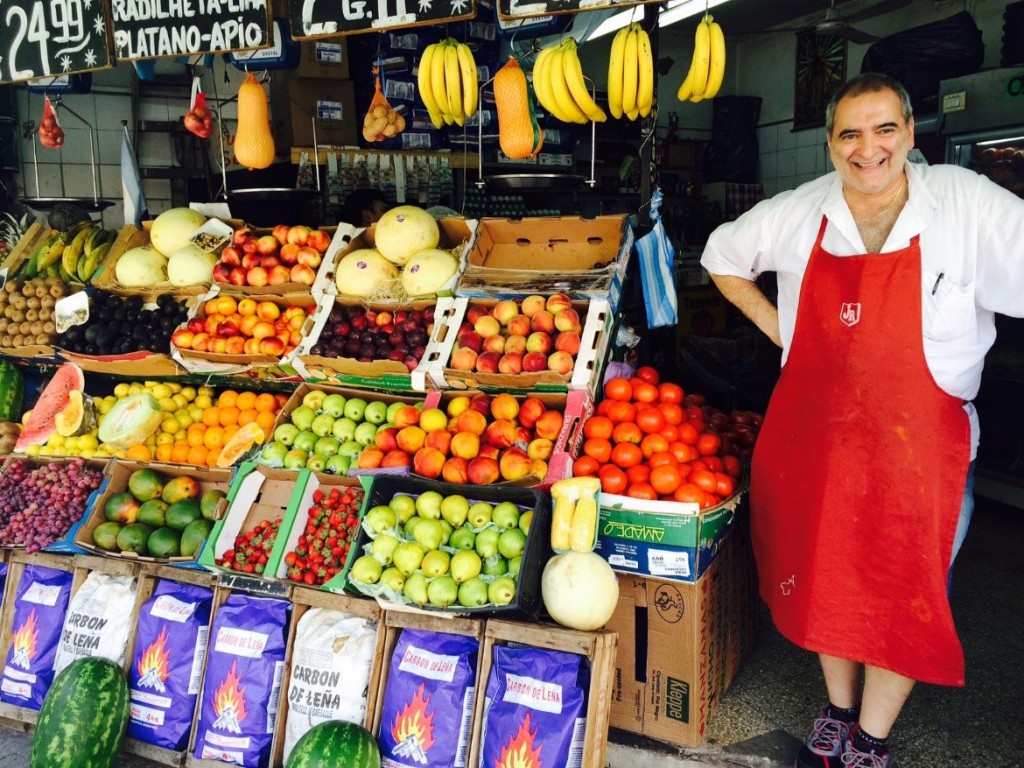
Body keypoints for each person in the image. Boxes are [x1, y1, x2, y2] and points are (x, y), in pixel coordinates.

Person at [700, 72, 1024, 768]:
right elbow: (720, 258)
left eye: (884, 129)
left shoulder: (965, 205)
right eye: (850, 133)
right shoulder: (799, 212)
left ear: (909, 133)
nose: (867, 148)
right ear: (829, 145)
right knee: (827, 578)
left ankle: (870, 740)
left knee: (907, 592)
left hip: (925, 445)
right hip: (818, 438)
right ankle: (838, 711)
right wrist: (785, 331)